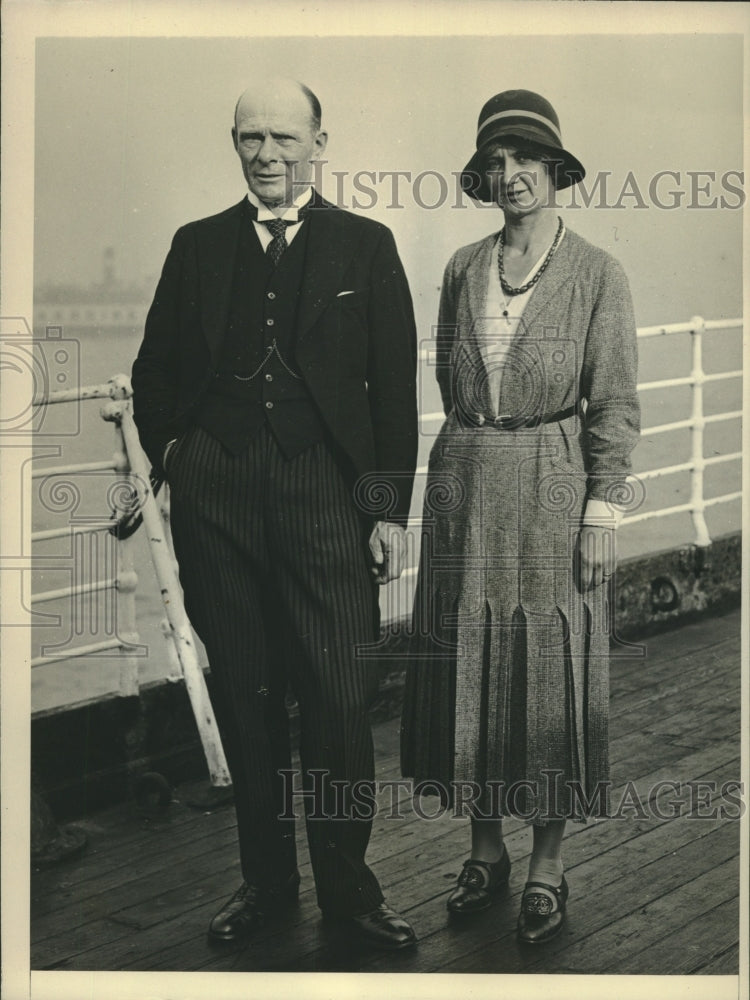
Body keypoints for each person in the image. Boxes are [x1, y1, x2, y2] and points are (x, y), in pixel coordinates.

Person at [132, 77, 418, 950]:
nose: (266, 155)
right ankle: (264, 884)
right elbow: (154, 376)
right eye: (250, 138)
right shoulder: (197, 246)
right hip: (217, 496)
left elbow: (394, 391)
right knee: (247, 697)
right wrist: (179, 456)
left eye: (284, 140)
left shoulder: (365, 246)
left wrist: (385, 509)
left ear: (319, 144)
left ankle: (350, 895)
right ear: (235, 144)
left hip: (325, 496)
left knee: (337, 696)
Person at [400, 89, 640, 944]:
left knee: (546, 660)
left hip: (551, 481)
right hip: (466, 476)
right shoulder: (464, 267)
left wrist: (601, 509)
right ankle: (484, 849)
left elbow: (613, 402)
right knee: (471, 652)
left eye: (525, 159)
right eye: (495, 162)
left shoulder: (599, 273)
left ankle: (547, 863)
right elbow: (446, 381)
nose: (510, 175)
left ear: (555, 169)